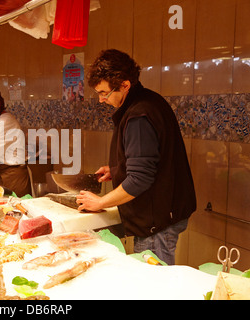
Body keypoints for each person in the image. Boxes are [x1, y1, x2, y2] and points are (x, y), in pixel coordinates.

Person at [76, 49, 196, 265]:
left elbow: (140, 178)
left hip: (157, 221)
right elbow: (151, 160)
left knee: (154, 287)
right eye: (98, 93)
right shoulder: (148, 101)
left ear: (125, 85)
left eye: (105, 92)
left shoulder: (139, 115)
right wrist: (118, 170)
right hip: (164, 212)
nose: (102, 100)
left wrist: (100, 201)